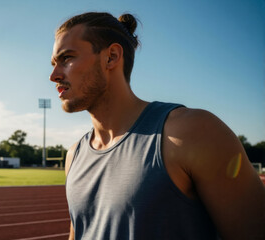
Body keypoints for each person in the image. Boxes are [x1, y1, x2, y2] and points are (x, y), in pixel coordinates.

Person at [49, 12, 265, 240]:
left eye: (66, 58)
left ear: (111, 57)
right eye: (54, 63)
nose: (53, 75)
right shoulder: (74, 155)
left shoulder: (190, 132)